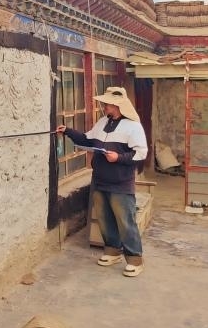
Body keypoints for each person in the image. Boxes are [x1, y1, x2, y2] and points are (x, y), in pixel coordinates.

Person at [56, 86, 149, 277]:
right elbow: (87, 139)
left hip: (121, 183)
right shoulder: (102, 122)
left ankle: (135, 259)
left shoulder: (133, 126)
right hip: (99, 180)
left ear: (118, 106)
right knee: (105, 219)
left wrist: (118, 157)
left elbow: (141, 153)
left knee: (125, 221)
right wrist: (68, 131)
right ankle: (112, 251)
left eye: (107, 104)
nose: (104, 106)